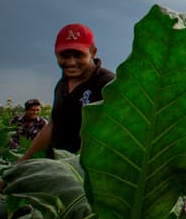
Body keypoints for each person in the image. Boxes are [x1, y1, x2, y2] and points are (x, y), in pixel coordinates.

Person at [19, 23, 115, 161]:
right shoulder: (61, 85)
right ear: (55, 54)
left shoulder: (108, 84)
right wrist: (22, 162)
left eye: (78, 55)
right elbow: (53, 125)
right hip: (56, 168)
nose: (71, 62)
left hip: (86, 175)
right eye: (64, 55)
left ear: (93, 52)